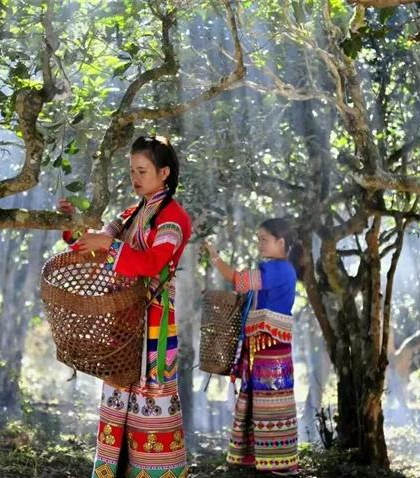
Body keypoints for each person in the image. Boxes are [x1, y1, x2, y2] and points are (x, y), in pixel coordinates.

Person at [58, 135, 191, 478]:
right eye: (132, 170)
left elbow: (152, 263)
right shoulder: (132, 213)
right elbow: (95, 245)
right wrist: (73, 227)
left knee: (150, 400)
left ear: (164, 173)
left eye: (142, 170)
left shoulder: (173, 218)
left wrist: (110, 245)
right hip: (125, 323)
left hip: (156, 327)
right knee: (118, 398)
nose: (135, 177)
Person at [204, 218, 300, 476]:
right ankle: (260, 457)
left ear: (281, 242)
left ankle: (278, 461)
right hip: (265, 342)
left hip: (271, 344)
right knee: (261, 397)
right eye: (258, 239)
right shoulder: (278, 268)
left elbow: (239, 281)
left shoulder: (279, 270)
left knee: (271, 398)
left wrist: (215, 258)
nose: (259, 244)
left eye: (264, 239)